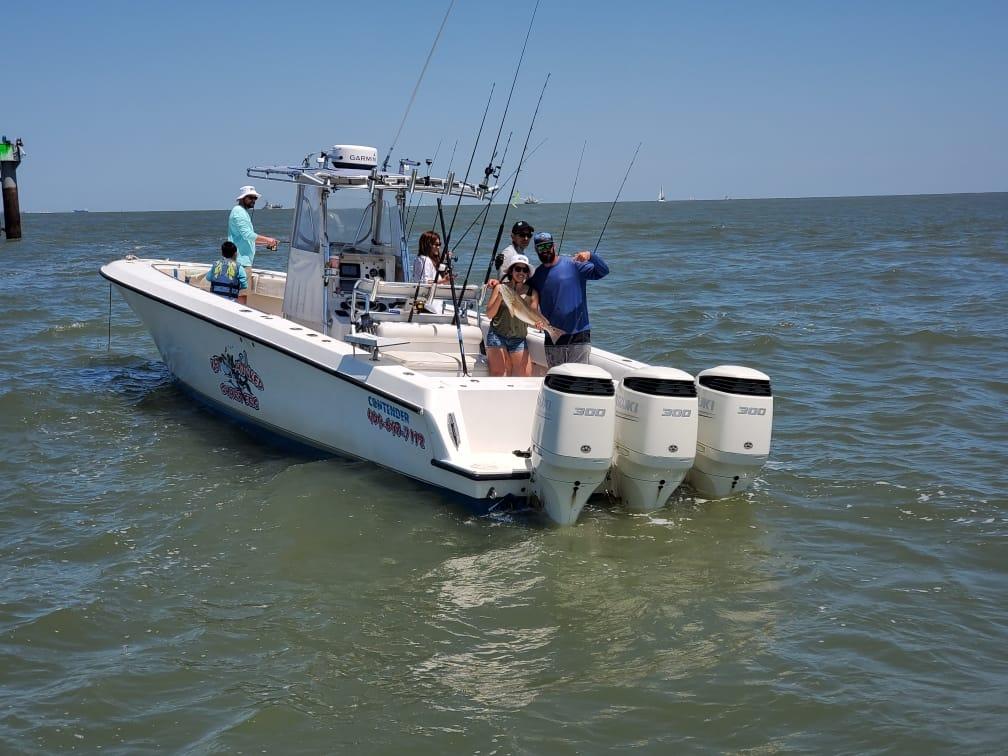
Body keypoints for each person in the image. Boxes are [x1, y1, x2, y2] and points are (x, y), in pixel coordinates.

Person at [528, 230, 609, 367]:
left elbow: (603, 271)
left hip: (578, 336)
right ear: (536, 250)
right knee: (557, 382)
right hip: (552, 338)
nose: (545, 250)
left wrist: (591, 256)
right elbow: (523, 297)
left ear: (554, 246)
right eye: (541, 247)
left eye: (548, 246)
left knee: (578, 380)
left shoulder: (574, 265)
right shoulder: (537, 275)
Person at [484, 254, 540, 376]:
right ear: (511, 270)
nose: (521, 272)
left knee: (526, 375)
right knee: (500, 373)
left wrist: (539, 324)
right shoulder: (500, 287)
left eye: (524, 270)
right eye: (518, 269)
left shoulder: (532, 292)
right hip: (497, 336)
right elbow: (489, 315)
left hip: (518, 338)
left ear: (527, 273)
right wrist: (500, 297)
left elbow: (533, 316)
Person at [228, 185, 279, 279]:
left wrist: (268, 242)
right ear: (243, 198)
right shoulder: (239, 211)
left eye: (255, 198)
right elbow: (248, 235)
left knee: (242, 293)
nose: (254, 200)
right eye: (250, 197)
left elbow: (246, 239)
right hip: (240, 263)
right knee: (243, 293)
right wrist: (268, 239)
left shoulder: (242, 211)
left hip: (242, 262)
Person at [411, 230, 452, 313]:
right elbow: (424, 282)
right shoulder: (423, 260)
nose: (438, 247)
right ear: (428, 245)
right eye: (436, 244)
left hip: (435, 305)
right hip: (424, 307)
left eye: (439, 244)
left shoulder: (431, 261)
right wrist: (443, 280)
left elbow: (442, 281)